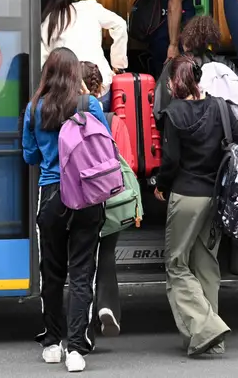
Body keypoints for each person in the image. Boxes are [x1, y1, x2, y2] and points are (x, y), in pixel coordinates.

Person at [22, 47, 111, 373]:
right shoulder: (90, 105)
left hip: (52, 196)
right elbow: (106, 147)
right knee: (82, 272)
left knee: (53, 272)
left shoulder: (35, 108)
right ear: (76, 73)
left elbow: (29, 156)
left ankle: (52, 343)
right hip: (87, 196)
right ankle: (76, 349)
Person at [154, 55, 238, 356]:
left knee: (176, 263)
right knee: (206, 262)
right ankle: (213, 342)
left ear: (173, 82)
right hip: (216, 196)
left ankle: (207, 328)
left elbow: (171, 162)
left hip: (187, 195)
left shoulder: (173, 113)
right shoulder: (220, 106)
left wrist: (161, 186)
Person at [81, 61, 134, 337]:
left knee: (83, 256)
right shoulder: (115, 122)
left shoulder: (68, 119)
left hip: (80, 198)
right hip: (111, 200)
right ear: (101, 88)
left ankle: (86, 318)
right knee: (107, 252)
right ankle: (107, 306)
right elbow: (129, 163)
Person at [41, 0, 128, 109]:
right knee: (100, 127)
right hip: (99, 85)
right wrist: (118, 64)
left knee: (70, 129)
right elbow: (120, 25)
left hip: (67, 92)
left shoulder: (47, 23)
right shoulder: (90, 8)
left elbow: (43, 63)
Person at [153, 15, 238, 132]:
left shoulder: (176, 65)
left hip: (185, 135)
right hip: (223, 135)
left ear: (185, 40)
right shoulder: (227, 64)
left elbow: (159, 109)